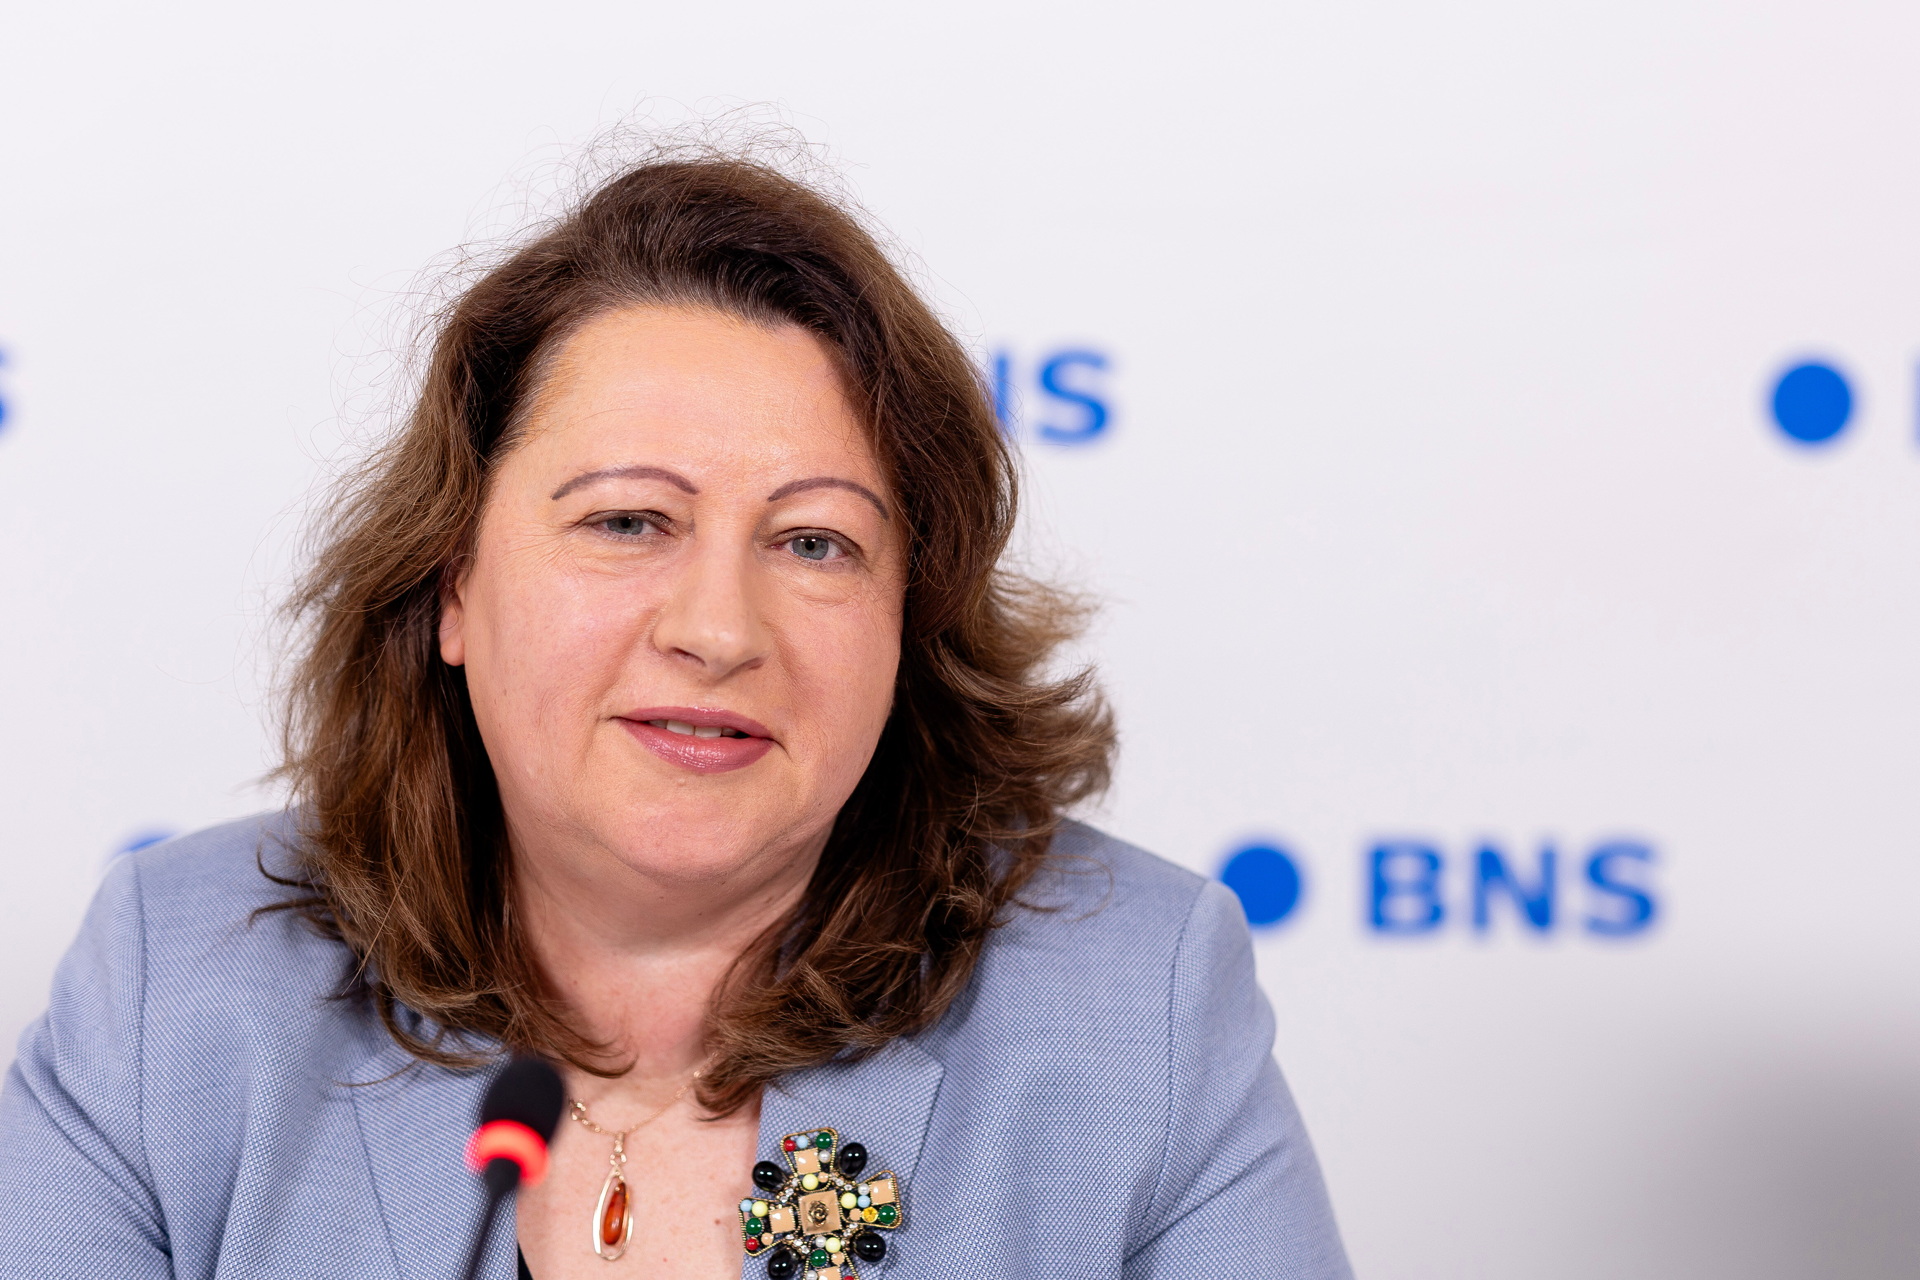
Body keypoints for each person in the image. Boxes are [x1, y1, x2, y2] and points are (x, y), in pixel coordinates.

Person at [0, 151, 1351, 1280]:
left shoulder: (1135, 1007)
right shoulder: (177, 989)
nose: (717, 629)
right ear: (453, 583)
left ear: (910, 624)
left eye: (815, 543)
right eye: (629, 521)